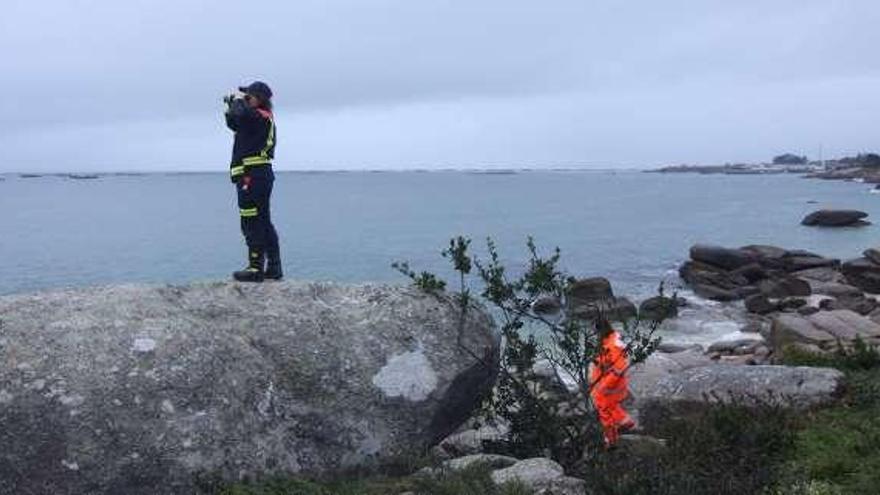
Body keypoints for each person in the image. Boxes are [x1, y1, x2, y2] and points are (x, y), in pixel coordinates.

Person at [224, 81, 282, 282]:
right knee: (263, 220)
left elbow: (241, 114)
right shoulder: (258, 119)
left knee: (251, 220)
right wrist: (230, 106)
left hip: (253, 176)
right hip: (258, 175)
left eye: (249, 96)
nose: (246, 99)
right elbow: (233, 121)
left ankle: (256, 266)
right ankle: (274, 267)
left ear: (260, 98)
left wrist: (239, 103)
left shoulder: (259, 116)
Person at [589, 317, 636, 446]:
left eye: (594, 332)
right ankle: (626, 423)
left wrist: (605, 385)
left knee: (604, 410)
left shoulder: (613, 345)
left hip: (609, 387)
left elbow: (620, 367)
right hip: (607, 384)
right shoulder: (609, 341)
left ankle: (611, 441)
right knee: (611, 407)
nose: (593, 335)